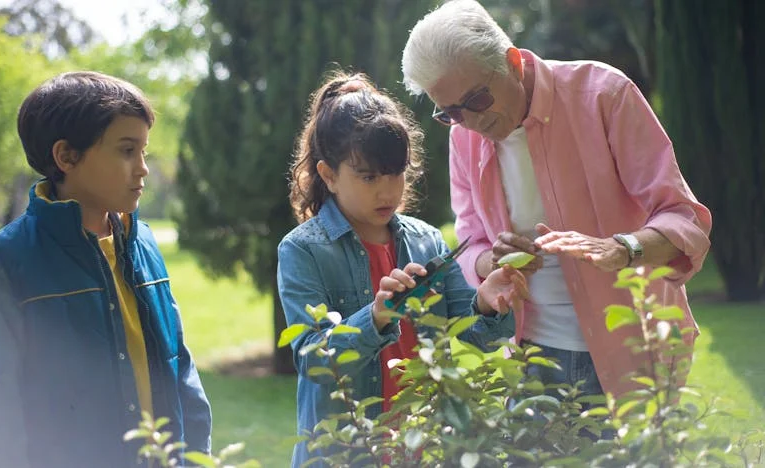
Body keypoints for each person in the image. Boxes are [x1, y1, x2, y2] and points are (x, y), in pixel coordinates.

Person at [401, 0, 712, 400]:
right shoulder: (463, 137)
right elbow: (469, 241)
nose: (472, 123)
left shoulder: (604, 94)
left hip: (635, 348)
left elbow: (684, 219)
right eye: (451, 113)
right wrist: (490, 260)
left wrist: (622, 249)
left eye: (477, 100)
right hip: (529, 357)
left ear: (513, 63)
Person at [278, 71, 529, 466]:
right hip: (347, 455)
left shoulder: (427, 241)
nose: (387, 190)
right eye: (368, 177)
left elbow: (475, 337)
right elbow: (315, 361)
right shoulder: (303, 250)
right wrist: (375, 318)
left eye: (396, 173)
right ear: (329, 175)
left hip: (425, 449)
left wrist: (486, 302)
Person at [0, 71, 212, 468]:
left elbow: (181, 369)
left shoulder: (144, 244)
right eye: (127, 150)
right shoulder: (8, 261)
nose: (143, 168)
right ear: (66, 156)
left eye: (144, 151)